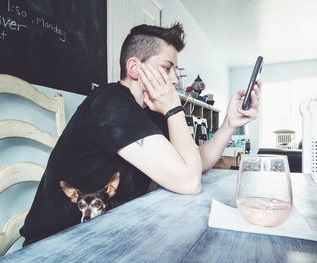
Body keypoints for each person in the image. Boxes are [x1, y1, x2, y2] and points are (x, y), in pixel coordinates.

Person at [20, 22, 261, 246]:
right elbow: (189, 182)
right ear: (134, 68)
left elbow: (195, 164)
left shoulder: (149, 110)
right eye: (167, 68)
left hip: (104, 235)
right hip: (55, 245)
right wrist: (173, 107)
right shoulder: (110, 103)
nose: (175, 79)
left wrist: (229, 124)